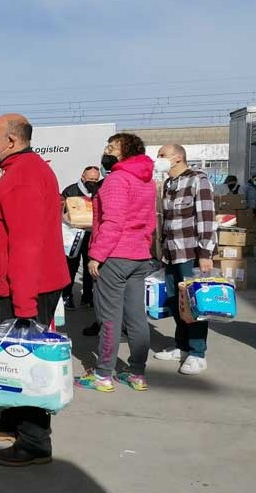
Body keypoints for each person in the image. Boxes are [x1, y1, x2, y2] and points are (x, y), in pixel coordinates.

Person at [0, 114, 70, 467]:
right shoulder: (20, 170)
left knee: (28, 359)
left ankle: (34, 442)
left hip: (28, 289)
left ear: (11, 141)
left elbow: (27, 245)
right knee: (14, 358)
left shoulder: (25, 176)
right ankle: (14, 421)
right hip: (21, 286)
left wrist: (26, 305)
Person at [75, 133, 156, 393]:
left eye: (111, 147)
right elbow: (150, 222)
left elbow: (113, 222)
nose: (106, 151)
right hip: (139, 255)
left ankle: (102, 375)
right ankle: (137, 374)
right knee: (136, 317)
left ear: (124, 152)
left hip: (115, 256)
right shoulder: (147, 181)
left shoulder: (116, 180)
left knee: (109, 317)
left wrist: (97, 255)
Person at [153, 144, 216, 375]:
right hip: (171, 253)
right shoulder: (168, 183)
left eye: (162, 155)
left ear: (178, 157)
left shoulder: (198, 179)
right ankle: (181, 345)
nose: (158, 159)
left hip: (191, 253)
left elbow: (206, 217)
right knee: (175, 301)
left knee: (194, 304)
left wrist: (205, 253)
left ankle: (198, 353)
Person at [60, 166, 101, 311]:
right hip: (74, 235)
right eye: (91, 179)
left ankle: (88, 297)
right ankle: (67, 295)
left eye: (96, 180)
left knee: (90, 267)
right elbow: (60, 212)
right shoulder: (70, 191)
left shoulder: (99, 190)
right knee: (71, 267)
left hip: (92, 236)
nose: (93, 182)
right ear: (83, 177)